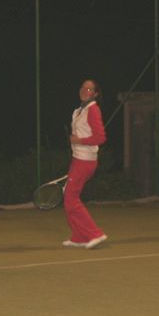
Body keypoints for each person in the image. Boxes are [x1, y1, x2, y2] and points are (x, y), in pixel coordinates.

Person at [62, 78, 108, 249]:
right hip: (77, 158)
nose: (84, 91)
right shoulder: (79, 111)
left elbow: (100, 137)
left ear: (95, 94)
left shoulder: (93, 110)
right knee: (69, 197)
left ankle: (95, 234)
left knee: (71, 198)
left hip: (85, 160)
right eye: (83, 87)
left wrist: (79, 140)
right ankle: (79, 237)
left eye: (89, 89)